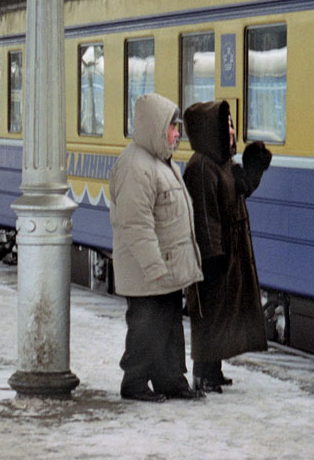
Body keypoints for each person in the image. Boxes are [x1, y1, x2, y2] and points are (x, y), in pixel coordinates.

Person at [108, 93, 206, 403]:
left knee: (168, 325)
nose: (178, 133)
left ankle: (170, 380)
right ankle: (134, 382)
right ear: (155, 126)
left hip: (165, 266)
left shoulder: (161, 162)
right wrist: (153, 268)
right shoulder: (137, 165)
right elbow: (136, 224)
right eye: (173, 127)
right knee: (146, 327)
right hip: (147, 269)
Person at [183, 100, 271, 393]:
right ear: (212, 130)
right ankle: (203, 373)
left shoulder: (223, 163)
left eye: (232, 125)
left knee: (223, 311)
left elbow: (242, 187)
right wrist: (211, 254)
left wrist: (254, 166)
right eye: (227, 126)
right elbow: (204, 216)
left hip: (232, 250)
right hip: (216, 253)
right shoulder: (201, 167)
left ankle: (214, 370)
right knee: (211, 312)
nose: (232, 131)